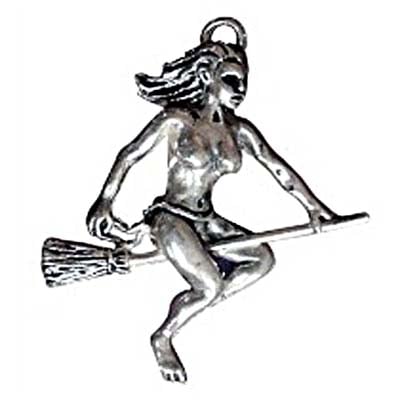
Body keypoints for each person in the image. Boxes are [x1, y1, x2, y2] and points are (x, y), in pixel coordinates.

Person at [86, 18, 337, 383]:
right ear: (207, 77)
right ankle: (164, 336)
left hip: (207, 220)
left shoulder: (239, 130)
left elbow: (279, 169)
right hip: (170, 217)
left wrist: (315, 208)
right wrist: (105, 201)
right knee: (209, 285)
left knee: (261, 260)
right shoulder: (177, 120)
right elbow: (130, 155)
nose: (241, 89)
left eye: (245, 81)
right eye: (231, 80)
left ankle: (201, 300)